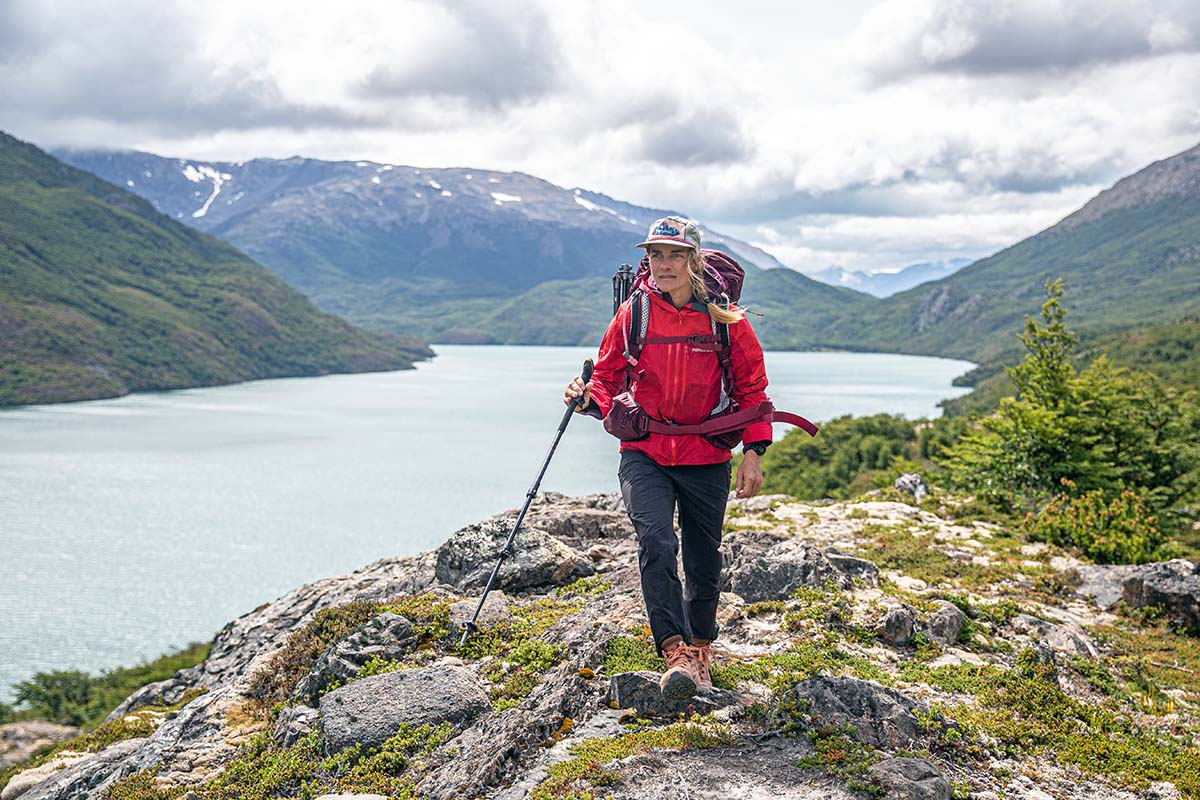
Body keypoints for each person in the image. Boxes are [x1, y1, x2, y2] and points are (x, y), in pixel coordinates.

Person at [564, 216, 773, 702]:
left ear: (694, 260)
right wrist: (586, 394)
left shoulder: (725, 320)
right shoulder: (634, 313)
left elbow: (753, 390)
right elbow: (607, 378)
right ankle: (675, 650)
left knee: (703, 556)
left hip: (706, 454)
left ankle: (701, 647)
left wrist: (753, 452)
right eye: (656, 255)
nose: (664, 264)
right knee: (656, 541)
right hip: (646, 451)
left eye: (675, 255)